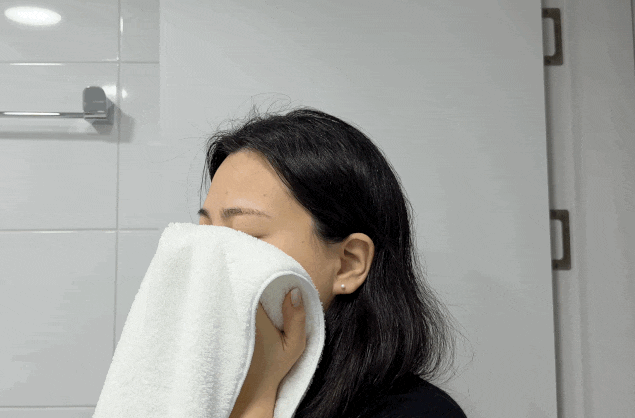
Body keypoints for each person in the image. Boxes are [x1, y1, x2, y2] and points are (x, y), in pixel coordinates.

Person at [197, 104, 468, 418]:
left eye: (247, 234)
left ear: (349, 264)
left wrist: (256, 399)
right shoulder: (194, 385)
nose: (208, 260)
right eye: (203, 235)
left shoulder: (421, 413)